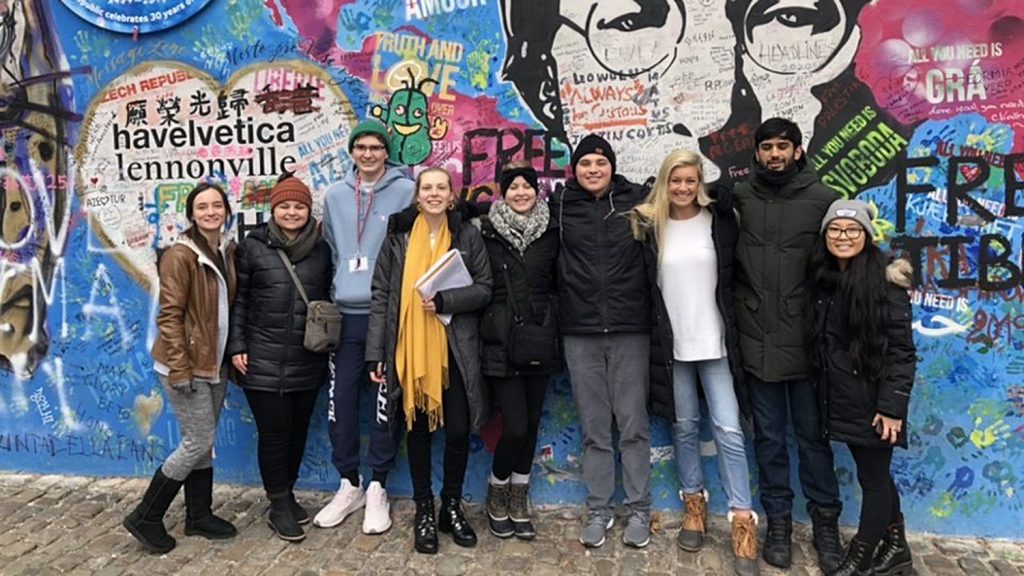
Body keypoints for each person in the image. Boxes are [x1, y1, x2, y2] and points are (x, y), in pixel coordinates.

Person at [632, 150, 758, 576]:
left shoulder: (719, 221)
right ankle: (693, 506)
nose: (683, 188)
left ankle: (742, 520)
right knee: (683, 427)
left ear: (701, 182)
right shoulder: (651, 226)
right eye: (676, 180)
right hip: (672, 346)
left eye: (691, 180)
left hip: (717, 342)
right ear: (664, 182)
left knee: (729, 429)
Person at [732, 117, 843, 571]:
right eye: (767, 147)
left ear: (798, 151)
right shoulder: (739, 199)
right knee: (770, 440)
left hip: (807, 346)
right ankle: (778, 522)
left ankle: (825, 526)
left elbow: (845, 269)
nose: (775, 154)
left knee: (814, 440)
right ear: (756, 153)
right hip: (756, 340)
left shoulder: (824, 201)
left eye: (783, 146)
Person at [365, 167, 492, 554]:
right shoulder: (398, 238)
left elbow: (485, 288)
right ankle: (424, 507)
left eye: (441, 188)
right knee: (417, 432)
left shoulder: (467, 234)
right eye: (427, 188)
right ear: (417, 196)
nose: (434, 194)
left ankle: (450, 505)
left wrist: (445, 301)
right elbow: (382, 294)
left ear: (452, 195)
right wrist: (377, 352)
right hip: (409, 348)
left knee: (456, 430)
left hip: (455, 348)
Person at [123, 182, 238, 553]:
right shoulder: (181, 255)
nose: (210, 212)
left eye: (216, 205)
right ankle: (146, 515)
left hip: (214, 363)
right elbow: (169, 315)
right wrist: (180, 368)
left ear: (226, 211)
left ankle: (199, 516)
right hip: (185, 364)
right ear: (191, 214)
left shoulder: (224, 250)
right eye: (202, 207)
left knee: (204, 441)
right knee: (197, 441)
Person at [315, 120, 415, 534]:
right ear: (353, 152)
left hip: (387, 313)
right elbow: (333, 249)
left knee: (382, 404)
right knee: (341, 401)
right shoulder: (335, 195)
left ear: (385, 152)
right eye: (362, 147)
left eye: (377, 147)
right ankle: (349, 482)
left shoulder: (407, 190)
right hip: (345, 313)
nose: (369, 154)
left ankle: (378, 485)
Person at [553, 134, 653, 549]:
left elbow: (689, 198)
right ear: (574, 169)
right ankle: (599, 508)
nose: (593, 169)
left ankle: (640, 508)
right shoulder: (560, 207)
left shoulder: (638, 201)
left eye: (600, 162)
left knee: (632, 425)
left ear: (612, 166)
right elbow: (507, 206)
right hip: (581, 330)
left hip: (631, 327)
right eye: (585, 163)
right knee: (595, 428)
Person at [806, 199, 916, 576]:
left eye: (852, 230)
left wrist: (891, 407)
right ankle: (897, 547)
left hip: (874, 401)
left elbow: (902, 353)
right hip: (845, 398)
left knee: (872, 480)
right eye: (835, 229)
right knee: (877, 476)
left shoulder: (886, 284)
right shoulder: (827, 278)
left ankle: (861, 557)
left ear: (866, 236)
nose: (843, 236)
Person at [227, 174, 333, 542]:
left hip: (307, 357)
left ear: (309, 211)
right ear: (274, 210)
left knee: (298, 431)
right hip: (262, 357)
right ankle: (278, 503)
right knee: (274, 434)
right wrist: (236, 346)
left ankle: (285, 493)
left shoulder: (321, 251)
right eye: (285, 206)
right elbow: (238, 301)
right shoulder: (253, 247)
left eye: (299, 206)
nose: (292, 212)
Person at [480, 161, 559, 540]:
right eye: (513, 187)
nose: (522, 192)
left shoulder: (552, 230)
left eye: (528, 186)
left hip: (540, 339)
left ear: (537, 190)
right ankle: (497, 490)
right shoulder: (486, 229)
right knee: (514, 426)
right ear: (503, 193)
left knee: (531, 426)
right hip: (500, 341)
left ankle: (518, 496)